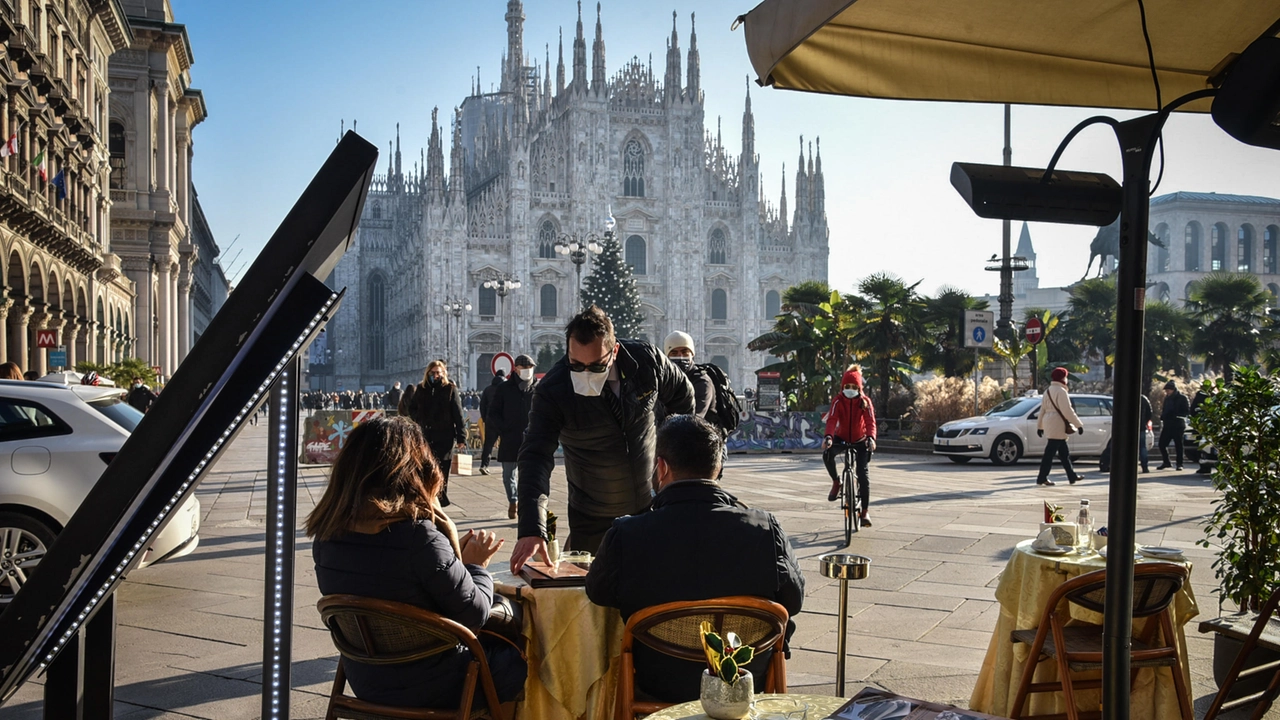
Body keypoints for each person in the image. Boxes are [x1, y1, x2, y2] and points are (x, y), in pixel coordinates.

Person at [306, 416, 525, 712]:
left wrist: (449, 560)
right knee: (521, 653)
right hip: (437, 686)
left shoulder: (327, 536)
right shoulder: (416, 537)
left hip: (366, 682)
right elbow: (474, 613)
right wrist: (475, 565)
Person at [586, 415, 805, 703]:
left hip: (660, 680)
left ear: (661, 467)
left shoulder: (628, 533)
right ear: (719, 467)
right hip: (743, 675)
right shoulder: (764, 528)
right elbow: (794, 598)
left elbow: (598, 591)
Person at [509, 306, 694, 572]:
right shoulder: (553, 390)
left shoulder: (647, 362)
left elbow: (684, 398)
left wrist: (672, 456)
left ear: (615, 350)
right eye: (576, 365)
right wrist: (531, 527)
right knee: (591, 599)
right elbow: (535, 455)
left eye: (596, 365)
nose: (585, 374)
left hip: (650, 505)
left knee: (656, 586)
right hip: (592, 516)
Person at [482, 355, 538, 520]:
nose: (527, 371)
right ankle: (513, 500)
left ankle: (525, 505)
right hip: (510, 438)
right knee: (508, 476)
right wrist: (504, 429)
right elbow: (493, 412)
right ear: (516, 369)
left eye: (530, 367)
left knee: (529, 476)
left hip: (531, 439)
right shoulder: (504, 388)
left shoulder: (538, 388)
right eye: (524, 367)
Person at [822, 365, 877, 526]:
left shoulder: (865, 402)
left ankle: (865, 512)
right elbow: (831, 420)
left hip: (861, 440)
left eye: (854, 387)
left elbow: (870, 422)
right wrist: (829, 437)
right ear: (842, 387)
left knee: (863, 475)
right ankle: (836, 482)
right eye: (847, 387)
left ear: (859, 388)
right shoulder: (838, 401)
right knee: (827, 454)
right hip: (841, 438)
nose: (850, 390)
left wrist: (871, 438)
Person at [410, 360, 467, 506]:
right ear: (427, 373)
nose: (435, 376)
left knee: (442, 468)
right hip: (425, 436)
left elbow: (458, 414)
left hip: (445, 436)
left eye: (438, 373)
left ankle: (440, 499)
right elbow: (411, 408)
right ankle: (428, 497)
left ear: (443, 374)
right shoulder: (421, 389)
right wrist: (420, 419)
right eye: (432, 373)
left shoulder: (449, 389)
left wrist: (461, 437)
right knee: (425, 467)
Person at [1035, 367, 1085, 486]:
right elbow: (1067, 410)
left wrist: (1040, 426)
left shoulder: (1048, 391)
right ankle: (1042, 477)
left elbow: (1042, 410)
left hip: (1049, 422)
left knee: (1064, 453)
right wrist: (1078, 425)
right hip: (1057, 424)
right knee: (1050, 453)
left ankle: (1071, 476)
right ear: (1063, 378)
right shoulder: (1061, 391)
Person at [662, 331, 714, 418]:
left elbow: (696, 418)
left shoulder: (702, 381)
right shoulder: (665, 380)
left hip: (698, 430)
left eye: (684, 352)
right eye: (674, 353)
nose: (680, 357)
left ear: (692, 354)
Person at [1098, 392, 1152, 474]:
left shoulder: (1125, 398)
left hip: (1127, 428)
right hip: (1140, 427)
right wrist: (1144, 422)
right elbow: (1149, 413)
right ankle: (1145, 467)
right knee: (1142, 447)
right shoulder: (1143, 399)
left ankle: (1127, 466)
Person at [478, 370, 506, 474]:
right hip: (504, 421)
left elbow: (482, 405)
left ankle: (484, 465)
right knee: (506, 443)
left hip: (490, 420)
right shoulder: (506, 389)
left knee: (488, 444)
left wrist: (485, 418)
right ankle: (506, 466)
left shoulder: (487, 389)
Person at [1157, 380, 1190, 471]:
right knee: (1162, 444)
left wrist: (1176, 414)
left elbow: (1186, 411)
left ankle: (1179, 463)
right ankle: (1166, 461)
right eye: (1166, 390)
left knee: (1178, 445)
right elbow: (1165, 409)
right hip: (1167, 425)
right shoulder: (1167, 399)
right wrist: (1163, 416)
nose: (1167, 392)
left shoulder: (1182, 398)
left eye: (1168, 390)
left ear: (1173, 389)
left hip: (1178, 425)